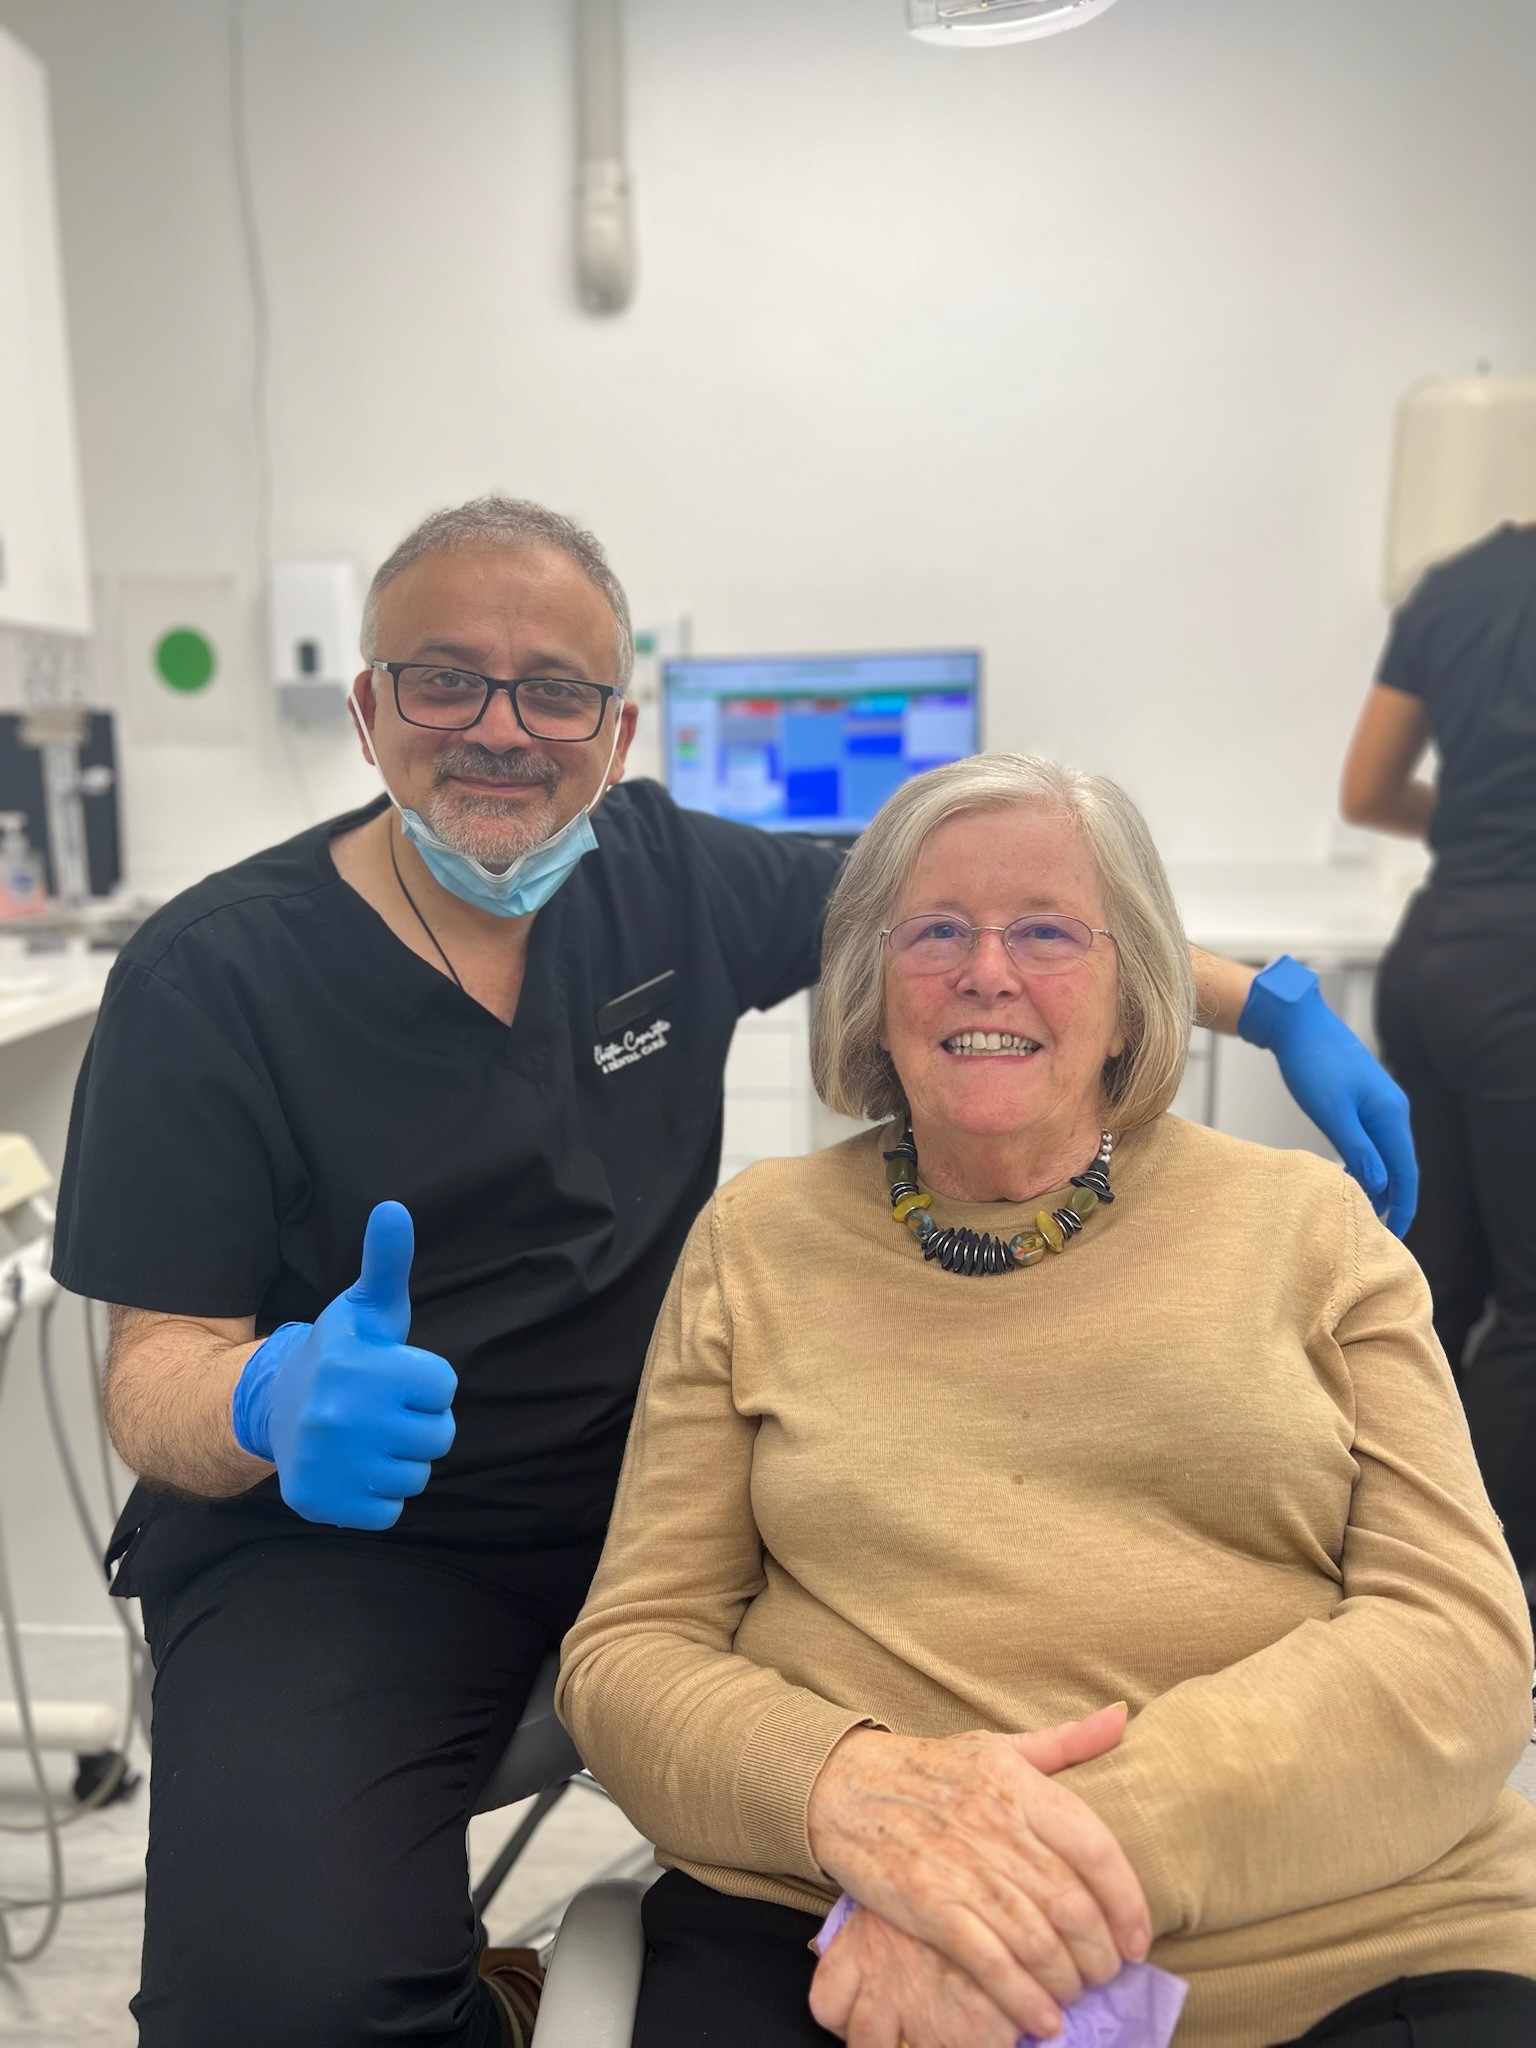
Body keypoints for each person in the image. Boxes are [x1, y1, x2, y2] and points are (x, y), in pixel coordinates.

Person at [53, 496, 1415, 2048]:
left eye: (554, 689)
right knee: (273, 2013)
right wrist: (265, 1395)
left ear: (617, 730)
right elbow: (150, 1374)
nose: (503, 729)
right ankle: (497, 2008)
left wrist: (1266, 1005)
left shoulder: (665, 881)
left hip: (677, 1506)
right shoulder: (210, 977)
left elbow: (969, 921)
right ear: (370, 708)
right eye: (444, 680)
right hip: (356, 1558)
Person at [559, 751, 1536, 2048]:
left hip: (1336, 1942)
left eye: (1046, 931)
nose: (987, 970)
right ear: (868, 987)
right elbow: (630, 1659)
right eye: (938, 931)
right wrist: (856, 1795)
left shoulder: (1310, 1231)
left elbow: (1459, 1649)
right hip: (841, 1930)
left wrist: (1022, 1863)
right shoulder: (759, 1241)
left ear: (1138, 996)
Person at [1341, 521, 1536, 1602]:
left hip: (1441, 953)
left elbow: (1369, 789)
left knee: (1431, 1281)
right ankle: (1482, 1599)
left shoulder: (1458, 584)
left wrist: (1474, 833)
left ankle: (1389, 1559)